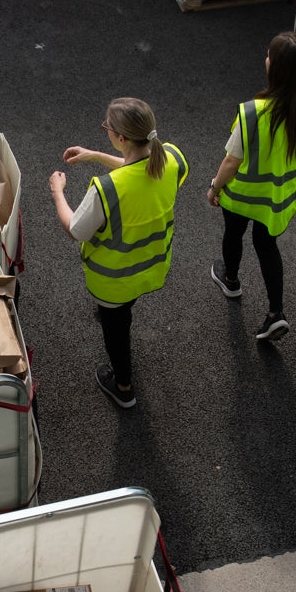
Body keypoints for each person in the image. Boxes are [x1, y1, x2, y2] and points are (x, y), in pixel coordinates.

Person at [49, 97, 188, 408]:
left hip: (112, 281)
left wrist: (58, 191)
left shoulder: (106, 189)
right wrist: (96, 156)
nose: (106, 132)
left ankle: (123, 387)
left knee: (116, 331)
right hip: (150, 266)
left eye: (106, 128)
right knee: (122, 312)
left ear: (121, 138)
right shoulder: (172, 159)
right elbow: (140, 167)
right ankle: (117, 319)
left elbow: (76, 229)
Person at [208, 31, 296, 341]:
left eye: (269, 56)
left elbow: (231, 162)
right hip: (282, 197)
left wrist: (215, 187)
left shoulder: (252, 113)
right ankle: (276, 312)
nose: (265, 58)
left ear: (275, 68)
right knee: (266, 246)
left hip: (243, 195)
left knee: (234, 234)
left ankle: (231, 280)